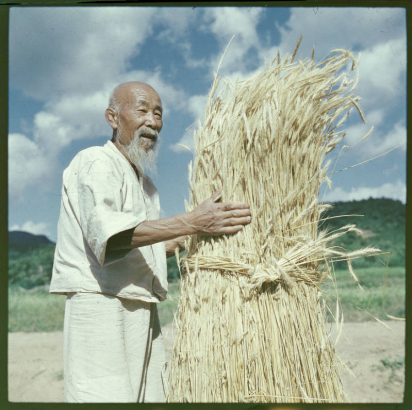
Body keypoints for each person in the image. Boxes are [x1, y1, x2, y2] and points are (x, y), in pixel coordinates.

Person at [49, 81, 252, 403]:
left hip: (141, 304)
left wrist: (191, 236)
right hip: (102, 303)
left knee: (147, 396)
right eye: (142, 110)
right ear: (113, 118)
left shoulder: (144, 184)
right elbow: (111, 237)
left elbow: (143, 244)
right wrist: (193, 221)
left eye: (158, 114)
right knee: (104, 396)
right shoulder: (95, 162)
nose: (153, 122)